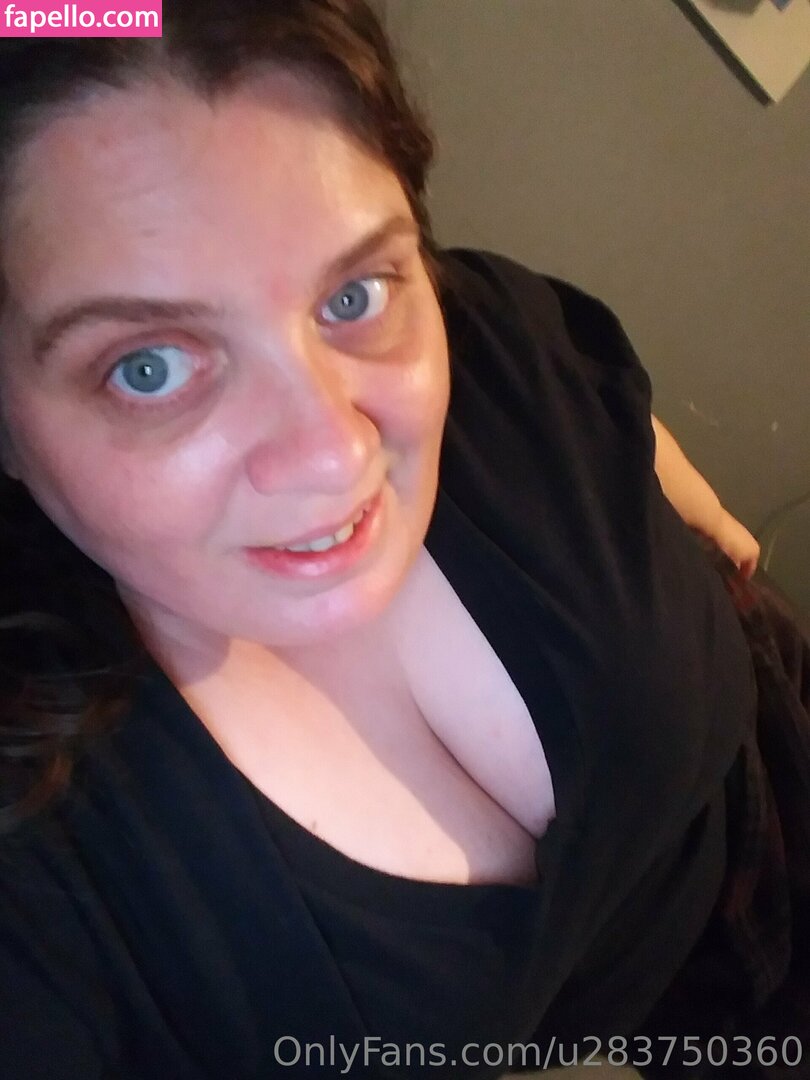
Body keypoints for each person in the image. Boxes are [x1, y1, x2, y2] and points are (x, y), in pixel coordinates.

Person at [0, 2, 804, 1078]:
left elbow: (568, 377)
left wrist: (692, 503)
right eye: (149, 367)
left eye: (354, 293)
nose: (337, 452)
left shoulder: (495, 340)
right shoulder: (47, 872)